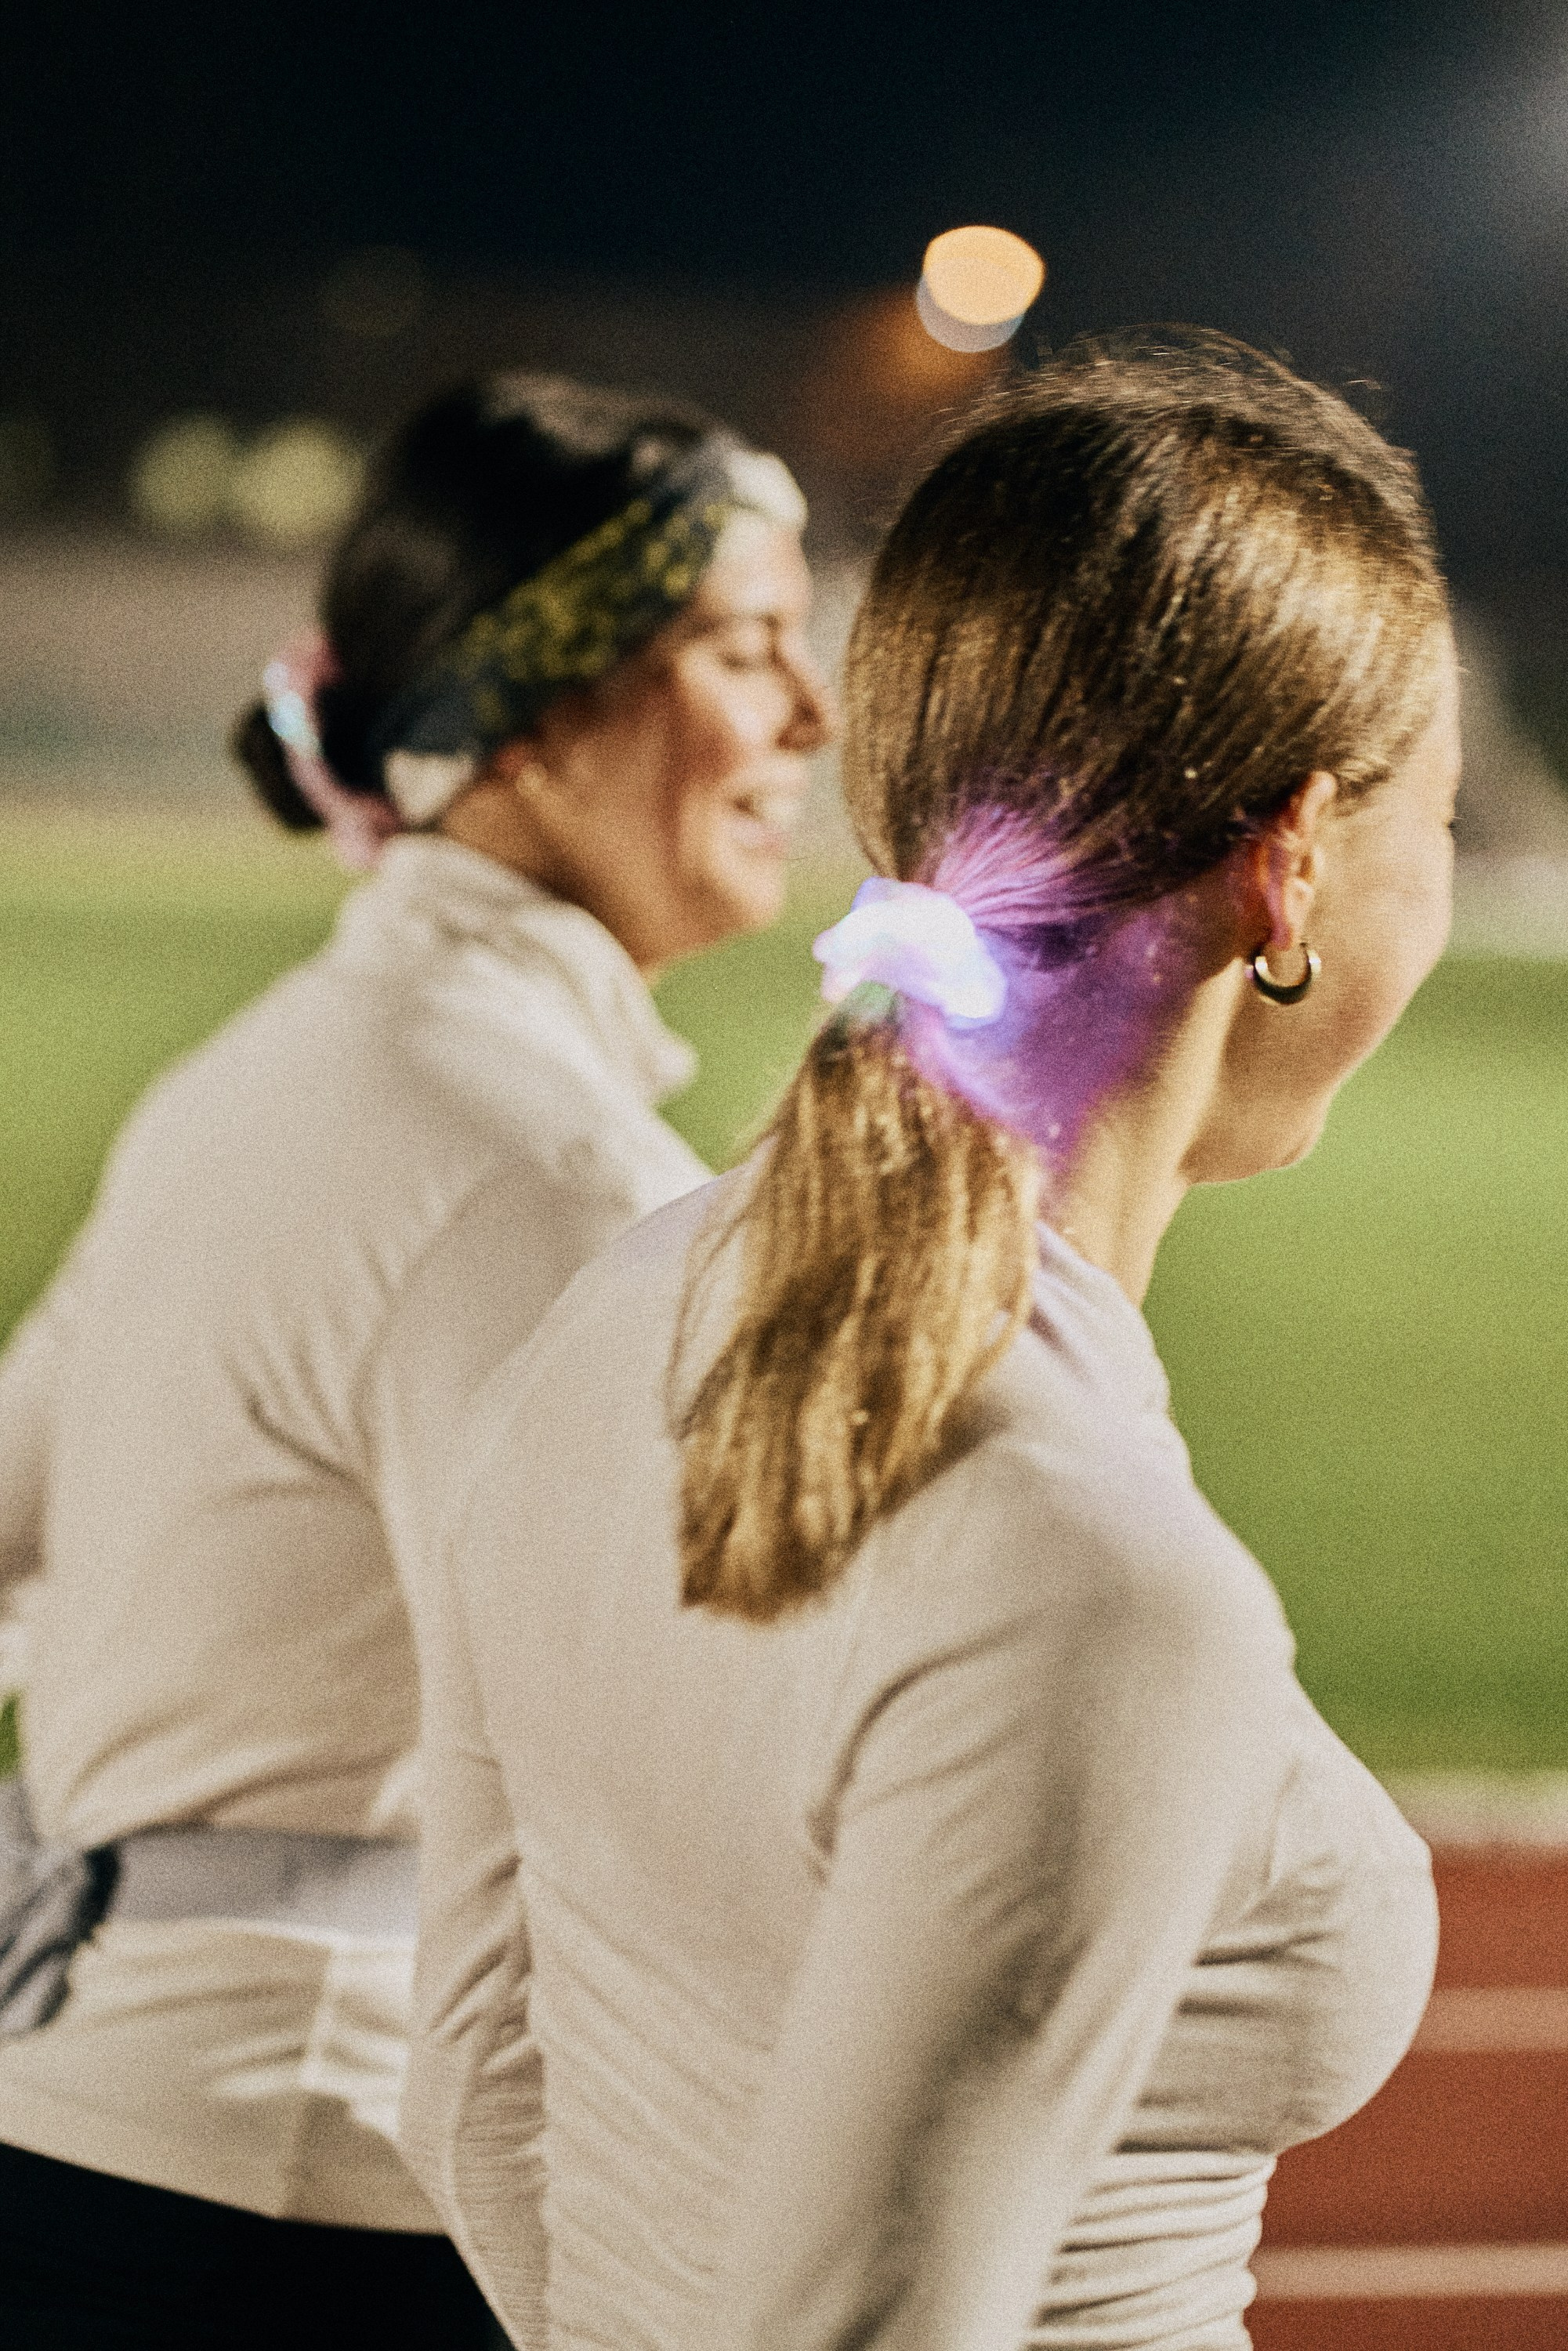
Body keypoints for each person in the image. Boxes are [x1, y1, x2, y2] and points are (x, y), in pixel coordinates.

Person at [402, 332, 1458, 2351]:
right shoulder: (1095, 1584)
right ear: (1293, 856)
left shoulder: (610, 1313)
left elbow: (474, 2091)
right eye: (1431, 810)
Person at [0, 373, 832, 2349]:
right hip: (316, 2200)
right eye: (745, 646)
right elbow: (619, 1802)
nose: (812, 713)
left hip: (92, 2141)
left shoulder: (265, 1073)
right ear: (527, 707)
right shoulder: (536, 1163)